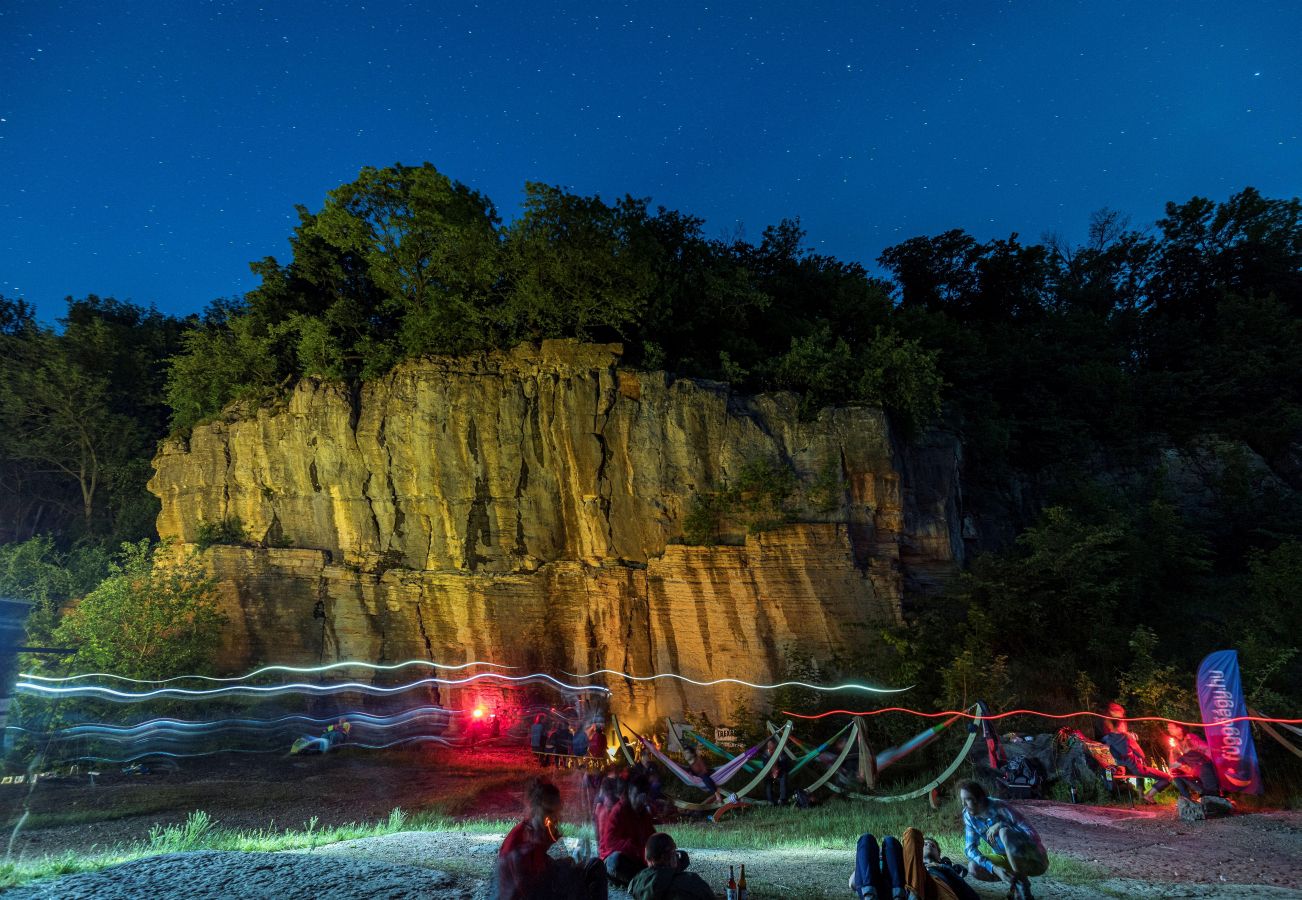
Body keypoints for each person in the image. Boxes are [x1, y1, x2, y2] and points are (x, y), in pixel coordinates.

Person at [495, 777, 607, 900]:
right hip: (529, 894)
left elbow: (541, 865)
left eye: (556, 813)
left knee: (595, 866)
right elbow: (528, 888)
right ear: (534, 808)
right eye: (548, 811)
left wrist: (564, 863)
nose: (553, 819)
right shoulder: (519, 842)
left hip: (539, 887)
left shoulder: (536, 832)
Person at [958, 781, 1047, 900]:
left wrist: (1003, 825)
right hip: (1005, 858)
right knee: (973, 867)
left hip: (1033, 858)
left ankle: (1022, 890)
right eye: (962, 800)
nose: (964, 804)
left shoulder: (1001, 807)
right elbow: (969, 849)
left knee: (1004, 832)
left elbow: (1033, 835)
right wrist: (994, 868)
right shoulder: (969, 816)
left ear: (979, 799)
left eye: (968, 799)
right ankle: (1016, 884)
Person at [849, 828, 965, 900]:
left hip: (901, 890)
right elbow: (853, 883)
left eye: (933, 845)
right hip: (875, 888)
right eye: (925, 844)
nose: (929, 845)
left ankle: (899, 895)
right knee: (866, 839)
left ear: (939, 856)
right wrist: (866, 862)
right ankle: (870, 895)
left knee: (891, 841)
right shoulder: (907, 862)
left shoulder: (942, 865)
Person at [1100, 702, 1171, 802]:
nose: (1125, 723)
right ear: (1120, 724)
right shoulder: (1125, 738)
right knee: (1167, 778)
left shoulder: (1108, 739)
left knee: (1139, 770)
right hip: (1135, 768)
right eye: (1123, 721)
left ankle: (1141, 795)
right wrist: (1132, 741)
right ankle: (1148, 796)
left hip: (1125, 768)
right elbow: (1141, 754)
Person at [597, 775, 657, 886]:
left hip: (639, 860)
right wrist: (640, 851)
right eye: (636, 794)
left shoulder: (643, 813)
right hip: (616, 859)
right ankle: (648, 878)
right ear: (629, 792)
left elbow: (651, 837)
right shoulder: (619, 811)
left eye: (643, 796)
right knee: (616, 861)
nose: (640, 799)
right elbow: (611, 844)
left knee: (681, 857)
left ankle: (648, 876)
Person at [627, 832, 715, 900]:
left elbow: (662, 874)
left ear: (648, 859)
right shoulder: (691, 881)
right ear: (670, 855)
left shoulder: (637, 882)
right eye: (674, 853)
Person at [1170, 732, 1222, 802]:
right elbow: (1174, 766)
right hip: (1206, 773)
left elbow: (1172, 765)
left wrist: (1171, 751)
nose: (1180, 748)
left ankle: (1189, 799)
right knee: (1211, 790)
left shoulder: (1188, 755)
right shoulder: (1191, 755)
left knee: (1211, 791)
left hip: (1207, 776)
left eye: (1182, 746)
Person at [761, 736, 791, 806]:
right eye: (769, 746)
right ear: (767, 747)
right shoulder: (765, 754)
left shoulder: (780, 753)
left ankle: (782, 799)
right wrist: (771, 771)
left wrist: (779, 760)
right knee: (767, 779)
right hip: (769, 772)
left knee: (784, 776)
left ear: (775, 746)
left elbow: (785, 764)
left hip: (780, 771)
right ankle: (770, 800)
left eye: (772, 745)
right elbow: (765, 765)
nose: (770, 747)